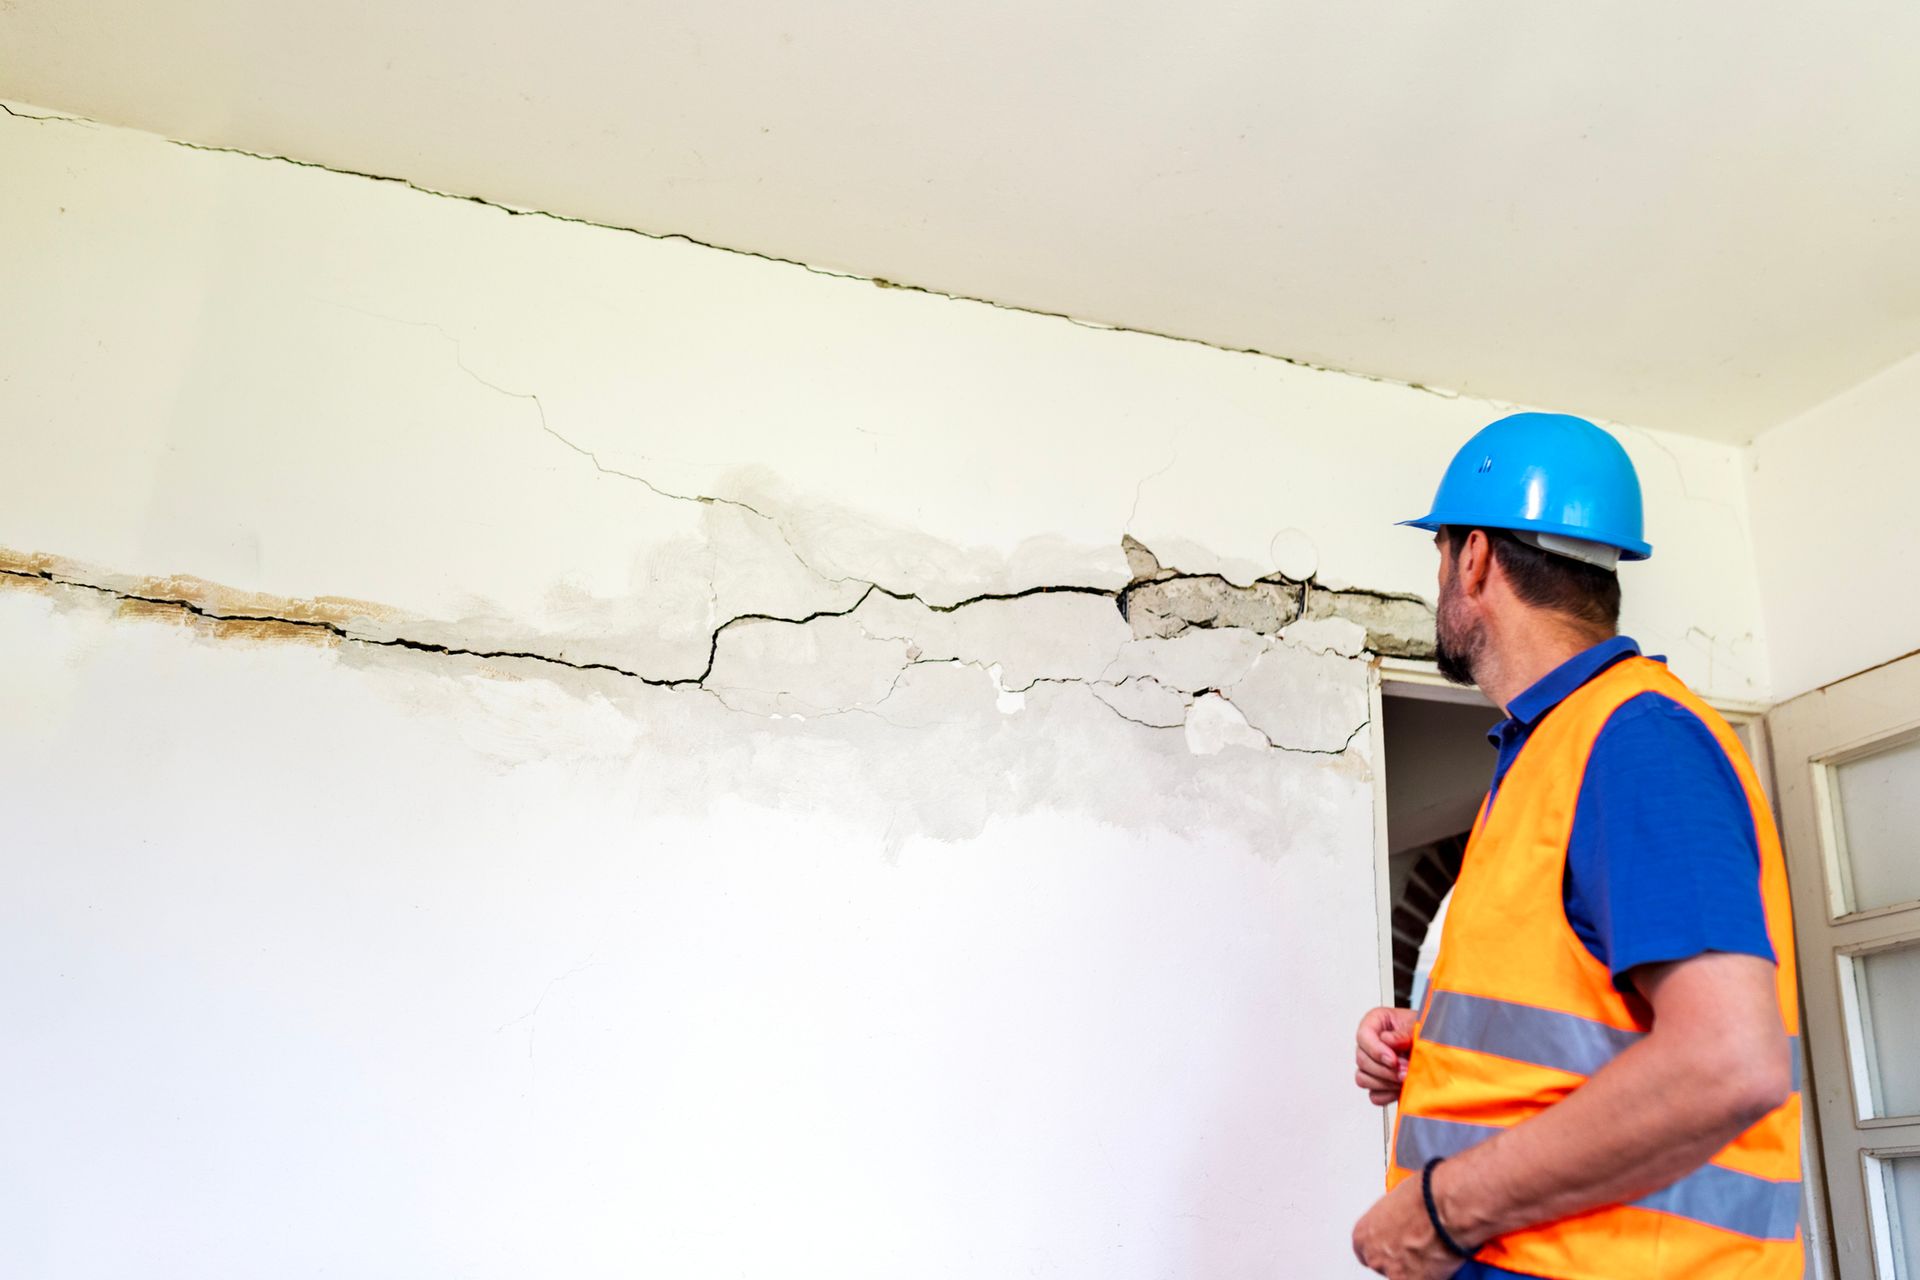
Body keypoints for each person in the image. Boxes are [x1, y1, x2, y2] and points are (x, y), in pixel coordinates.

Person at [1348, 413, 1803, 1280]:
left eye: (1440, 556)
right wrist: (1441, 1050)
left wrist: (1440, 1214)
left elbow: (1726, 1062)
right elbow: (1589, 1024)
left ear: (1472, 556)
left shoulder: (1637, 743)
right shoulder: (1554, 748)